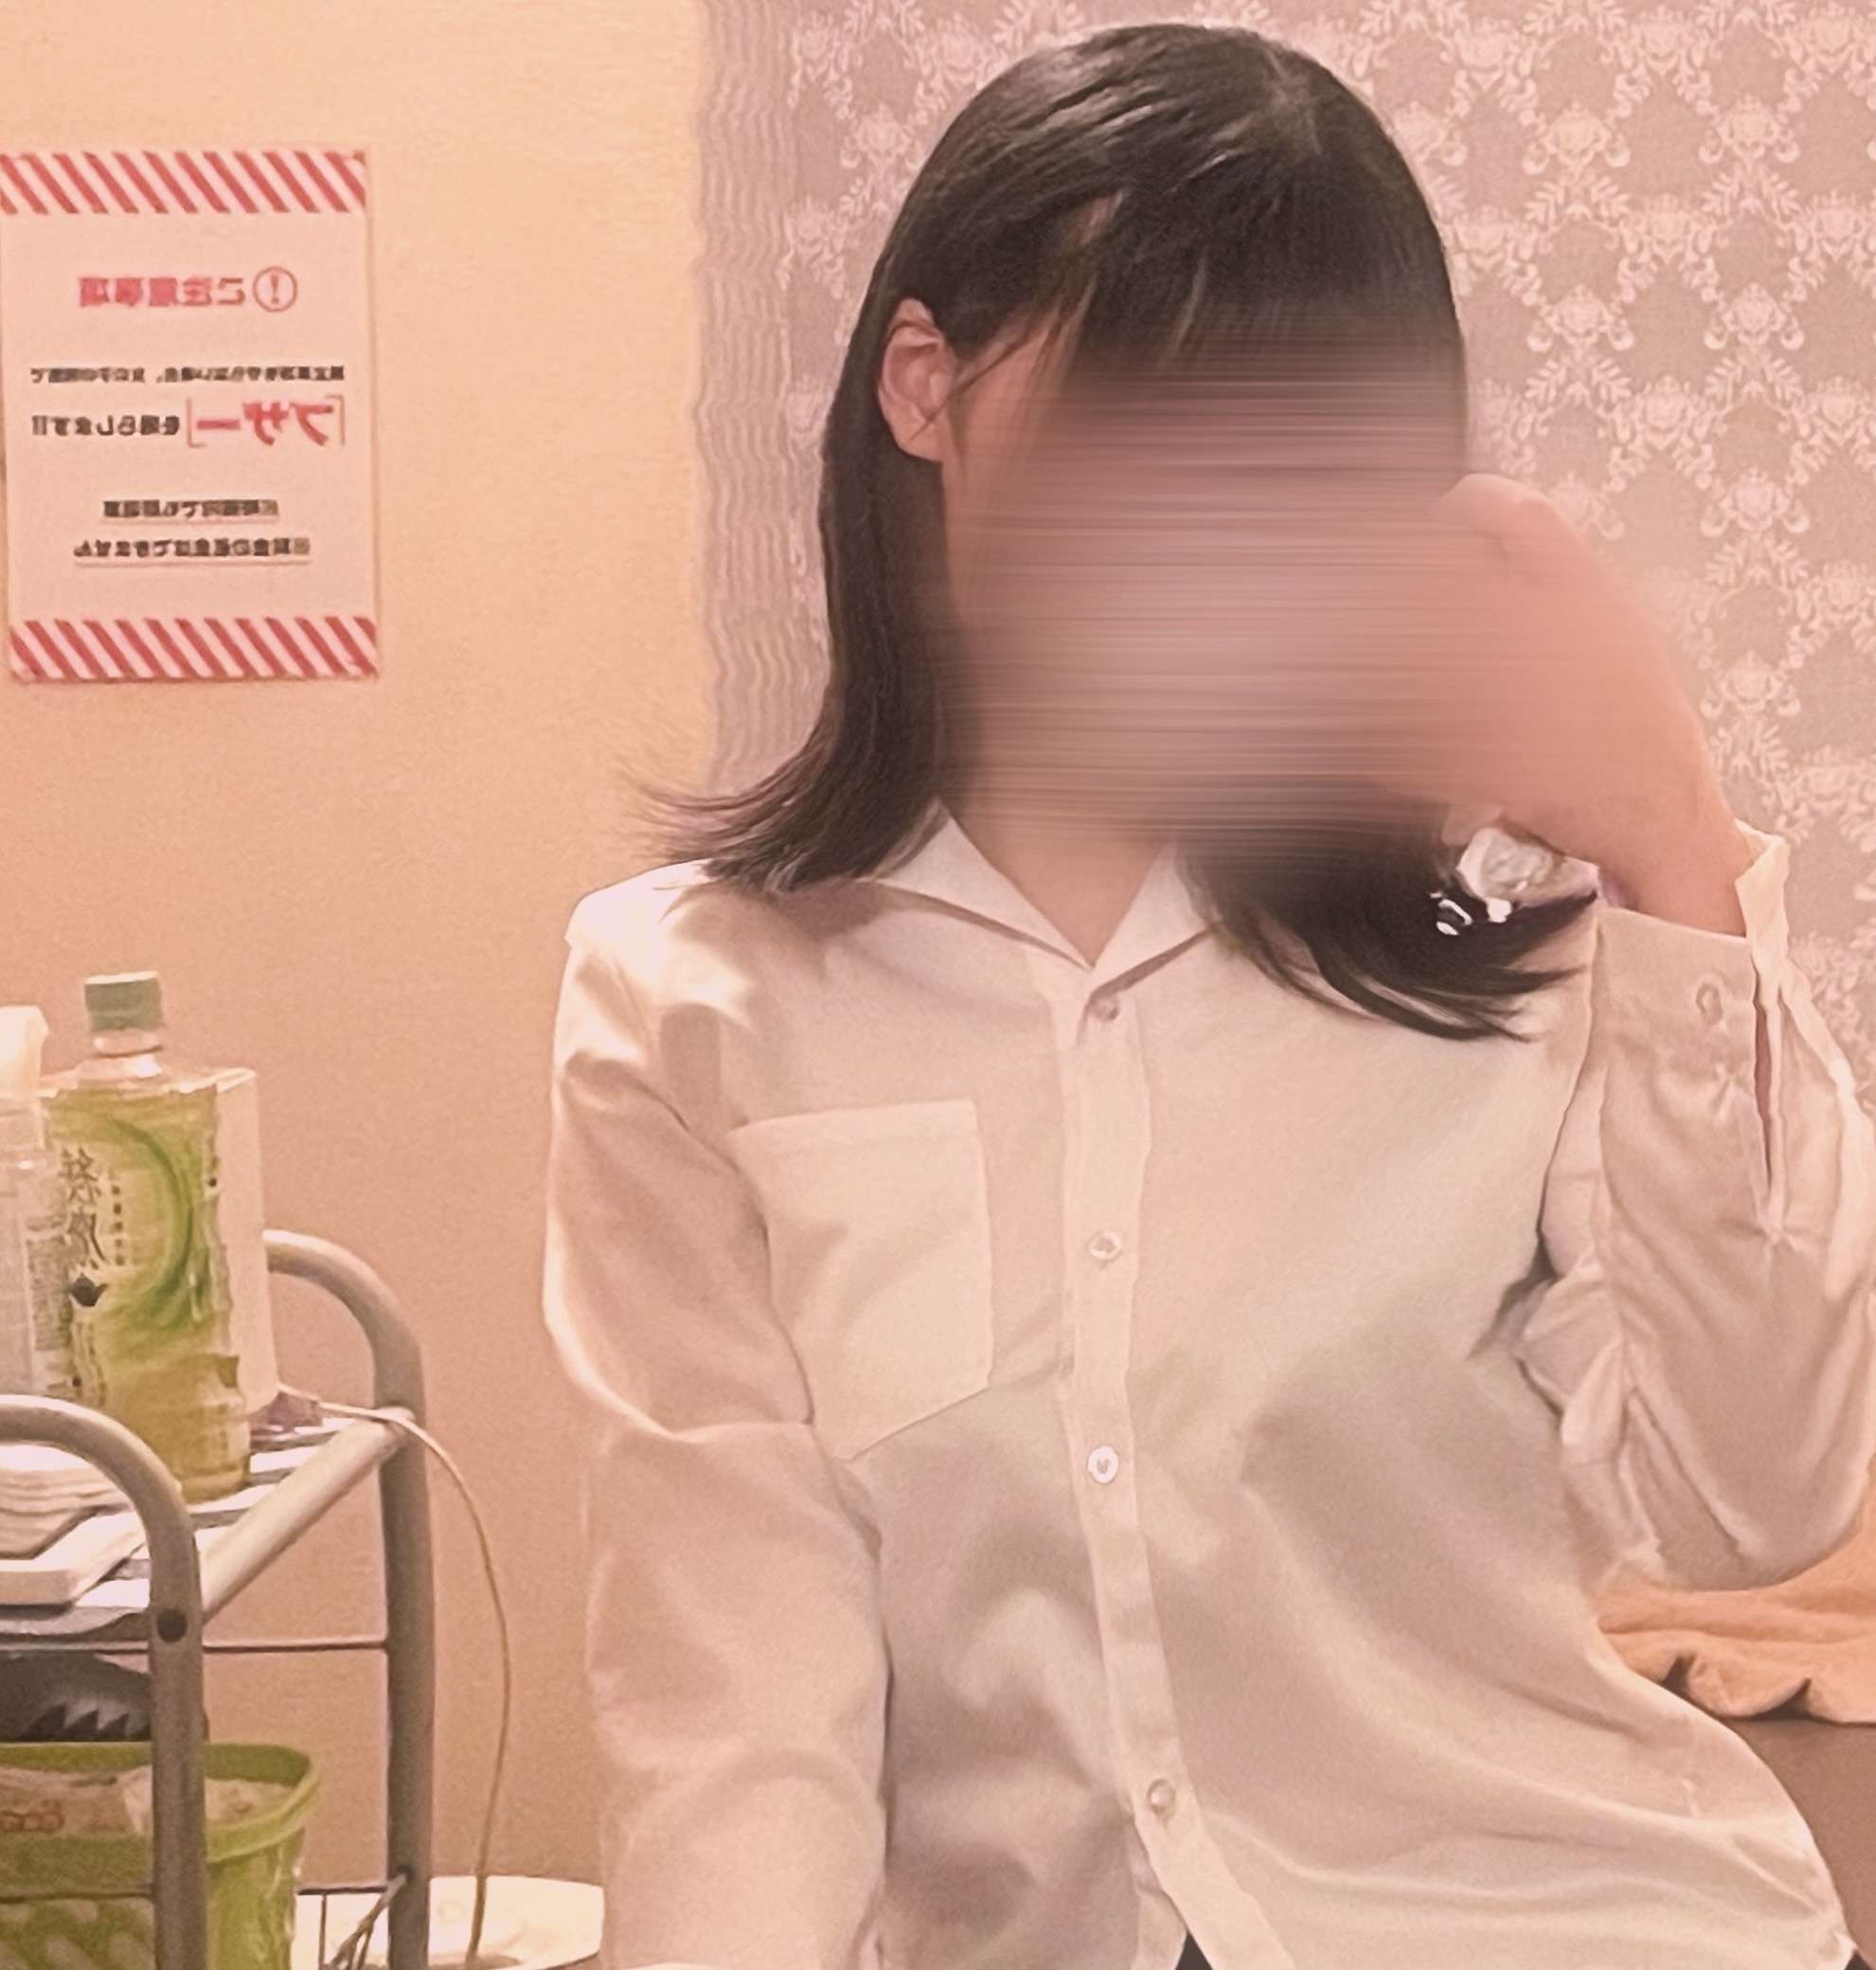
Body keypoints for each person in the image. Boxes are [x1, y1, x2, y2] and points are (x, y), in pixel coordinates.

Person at [545, 24, 1876, 1970]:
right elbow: (737, 1715)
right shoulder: (695, 1001)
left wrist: (1674, 853)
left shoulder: (1509, 968)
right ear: (925, 384)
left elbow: (1751, 1506)